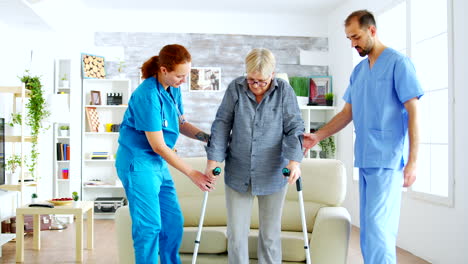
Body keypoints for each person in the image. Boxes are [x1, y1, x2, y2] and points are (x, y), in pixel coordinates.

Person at [303, 10, 424, 264]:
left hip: (389, 159)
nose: (352, 44)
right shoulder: (358, 72)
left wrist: (413, 161)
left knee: (380, 228)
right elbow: (347, 113)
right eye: (349, 38)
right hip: (366, 157)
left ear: (372, 30)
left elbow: (414, 113)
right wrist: (318, 136)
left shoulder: (398, 63)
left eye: (356, 37)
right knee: (368, 229)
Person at [115, 44, 215, 264]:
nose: (184, 80)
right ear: (163, 70)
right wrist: (193, 173)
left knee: (172, 223)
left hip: (157, 162)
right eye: (180, 75)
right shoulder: (147, 95)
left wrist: (207, 137)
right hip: (138, 162)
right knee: (149, 227)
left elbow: (181, 122)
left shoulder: (173, 88)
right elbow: (158, 145)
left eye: (186, 75)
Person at [205, 48, 304, 264]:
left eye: (261, 81)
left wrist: (294, 162)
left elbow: (294, 128)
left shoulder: (284, 91)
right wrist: (213, 161)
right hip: (238, 172)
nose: (256, 85)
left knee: (269, 237)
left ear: (273, 75)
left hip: (273, 173)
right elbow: (222, 124)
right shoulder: (236, 88)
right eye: (251, 80)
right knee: (237, 237)